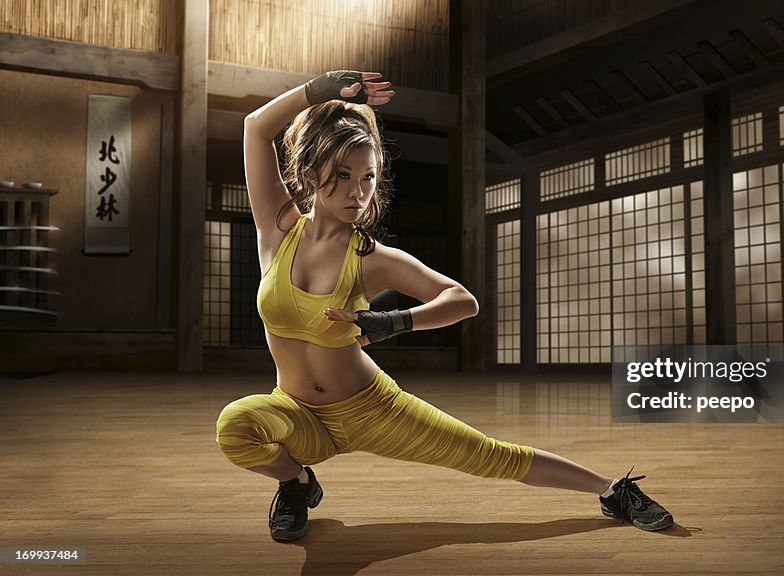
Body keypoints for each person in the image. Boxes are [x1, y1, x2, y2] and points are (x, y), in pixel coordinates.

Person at [214, 69, 673, 542]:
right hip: (299, 414)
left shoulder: (373, 259)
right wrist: (322, 88)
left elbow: (462, 301)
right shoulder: (277, 228)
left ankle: (613, 490)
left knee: (493, 455)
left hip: (374, 410)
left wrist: (391, 321)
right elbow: (256, 127)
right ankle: (297, 482)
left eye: (368, 177)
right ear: (312, 175)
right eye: (343, 176)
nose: (357, 192)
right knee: (236, 426)